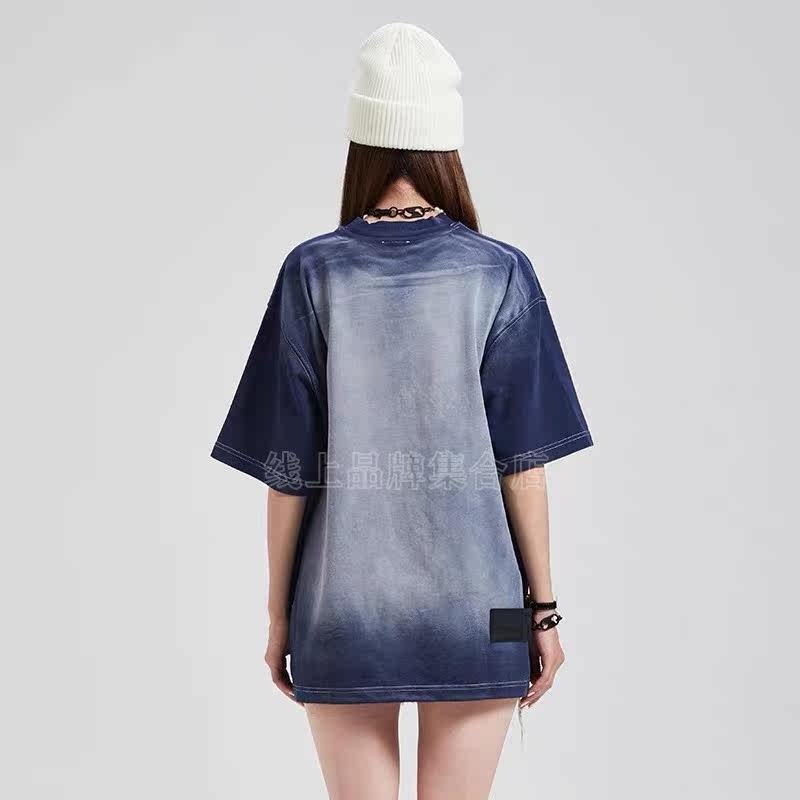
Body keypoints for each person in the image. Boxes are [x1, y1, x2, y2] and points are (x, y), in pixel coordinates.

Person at [211, 22, 592, 800]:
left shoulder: (313, 272)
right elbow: (522, 466)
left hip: (338, 615)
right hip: (489, 613)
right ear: (447, 145)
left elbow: (287, 474)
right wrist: (543, 617)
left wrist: (281, 620)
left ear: (362, 141)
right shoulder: (499, 273)